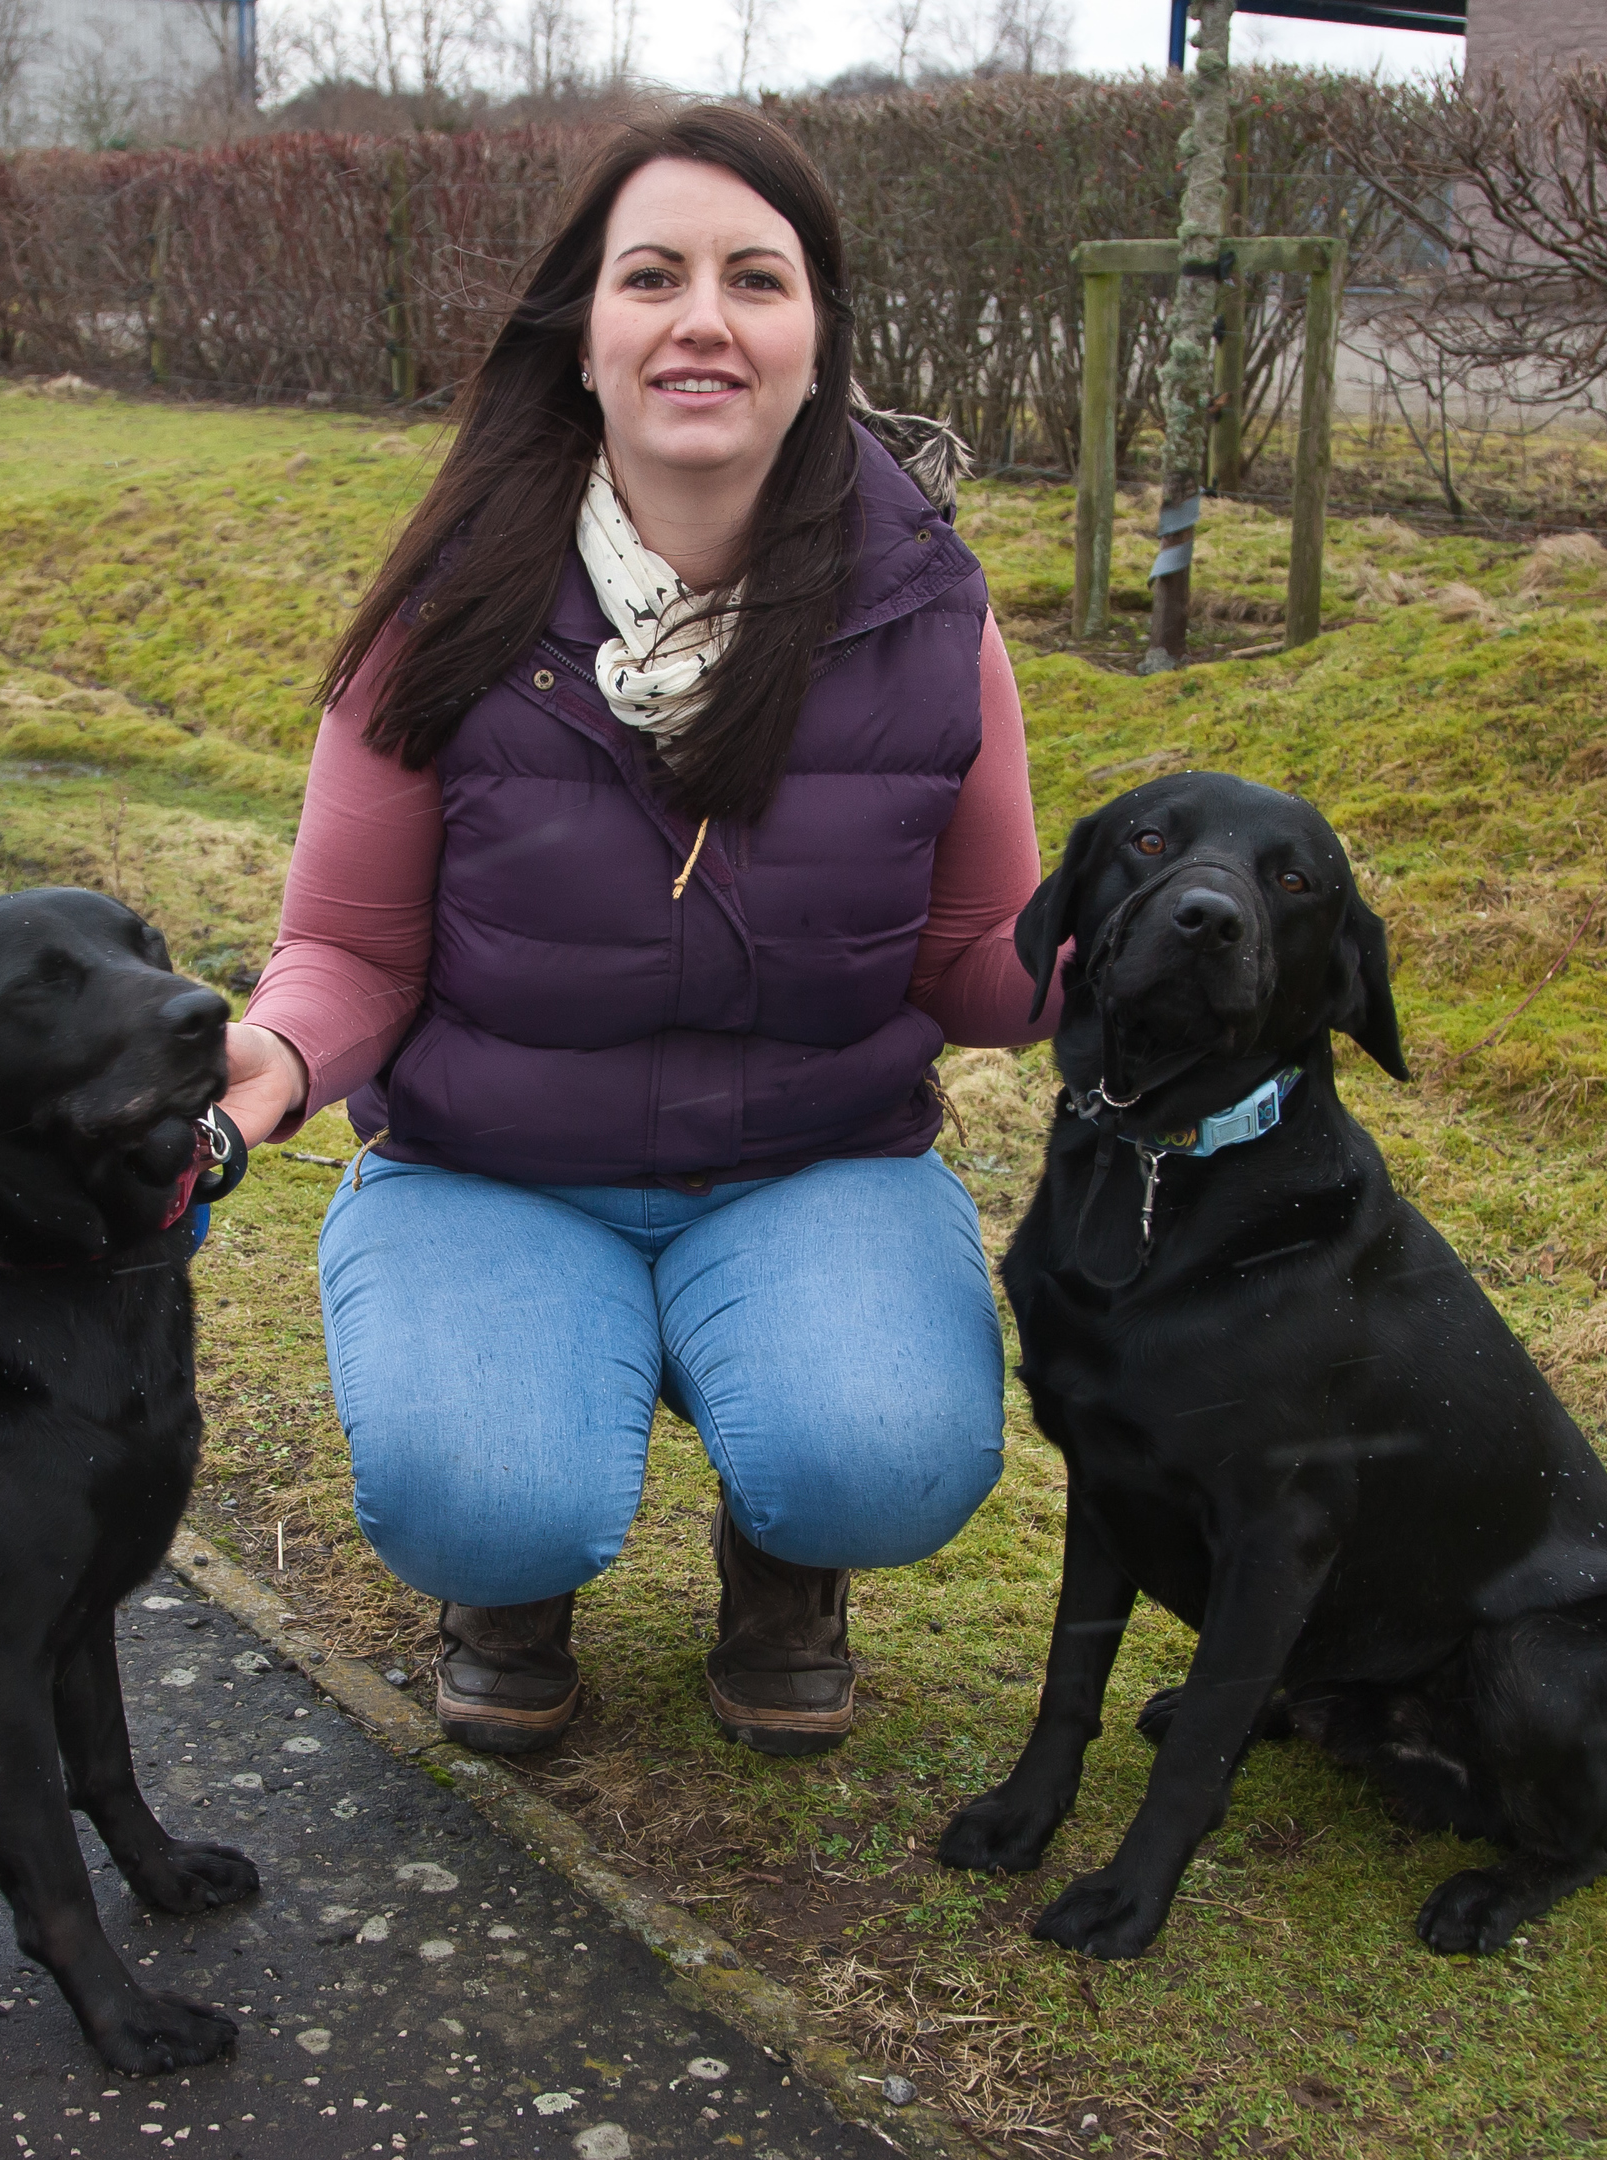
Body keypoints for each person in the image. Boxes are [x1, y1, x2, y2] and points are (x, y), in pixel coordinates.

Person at [216, 104, 1058, 1760]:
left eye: (758, 279)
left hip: (815, 1161)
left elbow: (970, 956)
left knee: (884, 1452)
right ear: (583, 342)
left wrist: (1131, 967)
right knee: (486, 1496)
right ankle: (511, 1578)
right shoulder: (445, 621)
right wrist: (269, 1062)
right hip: (494, 1169)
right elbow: (358, 956)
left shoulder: (930, 623)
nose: (703, 320)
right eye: (651, 277)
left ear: (816, 343)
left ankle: (789, 1548)